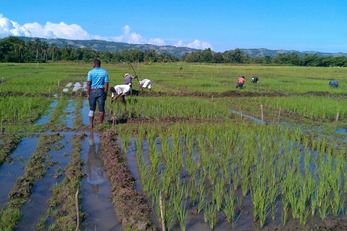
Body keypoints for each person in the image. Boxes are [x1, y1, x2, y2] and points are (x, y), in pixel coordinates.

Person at [87, 59, 109, 129]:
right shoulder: (104, 72)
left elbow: (88, 84)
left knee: (92, 108)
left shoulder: (90, 72)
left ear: (95, 64)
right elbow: (106, 84)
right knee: (101, 108)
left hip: (93, 91)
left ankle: (91, 125)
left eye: (93, 64)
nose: (92, 65)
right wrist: (105, 93)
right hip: (101, 91)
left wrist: (88, 93)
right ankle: (101, 124)